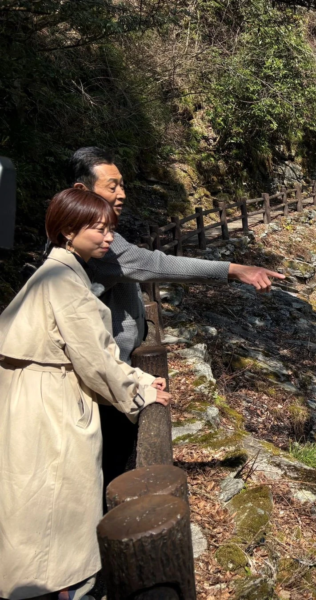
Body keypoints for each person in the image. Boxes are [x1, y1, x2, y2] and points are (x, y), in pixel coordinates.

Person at [66, 147, 285, 484]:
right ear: (82, 191)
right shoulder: (96, 244)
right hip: (105, 387)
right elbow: (158, 264)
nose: (121, 194)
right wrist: (235, 270)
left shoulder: (75, 231)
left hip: (106, 378)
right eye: (112, 187)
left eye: (122, 185)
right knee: (111, 471)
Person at [0, 189, 171, 600]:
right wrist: (142, 390)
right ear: (67, 231)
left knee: (32, 501)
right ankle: (60, 587)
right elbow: (95, 359)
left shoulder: (55, 273)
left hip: (31, 397)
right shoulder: (64, 282)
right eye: (98, 229)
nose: (108, 238)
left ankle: (40, 583)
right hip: (51, 404)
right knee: (57, 504)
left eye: (110, 228)